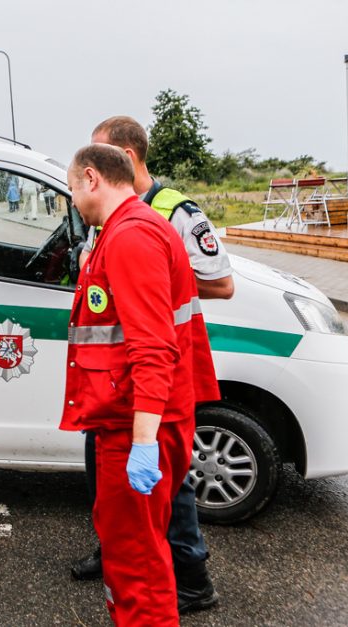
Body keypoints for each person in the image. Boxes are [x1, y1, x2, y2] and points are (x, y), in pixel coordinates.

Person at [70, 116, 230, 614]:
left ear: (93, 179)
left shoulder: (131, 236)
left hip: (136, 423)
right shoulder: (130, 227)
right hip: (140, 415)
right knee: (136, 555)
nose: (73, 202)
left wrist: (142, 444)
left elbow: (152, 348)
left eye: (73, 189)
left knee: (136, 566)